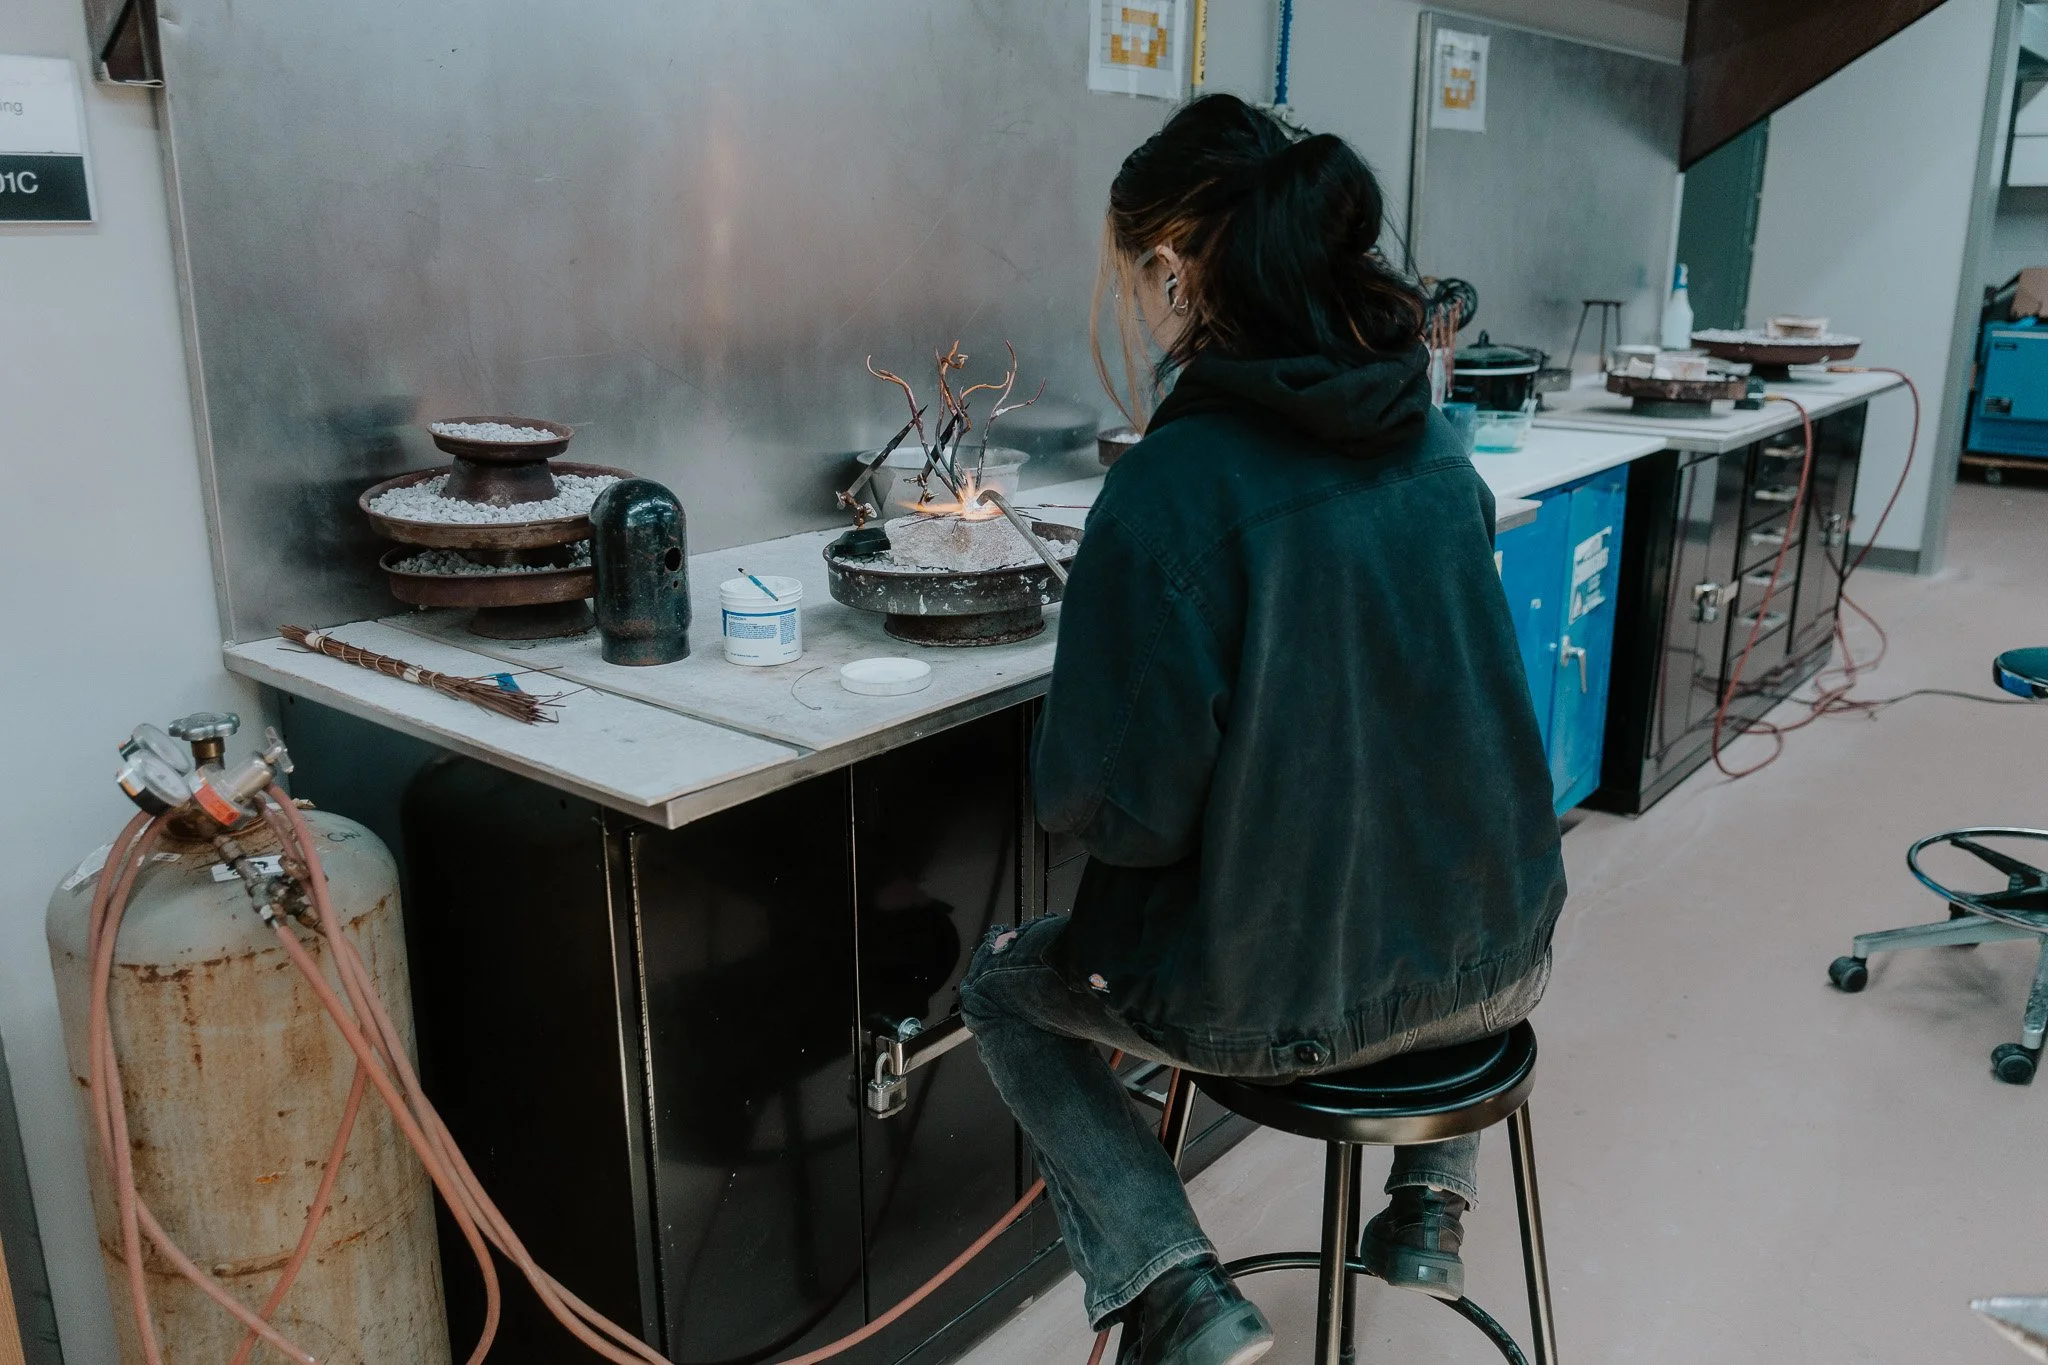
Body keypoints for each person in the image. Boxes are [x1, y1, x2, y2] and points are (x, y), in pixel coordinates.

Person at [957, 94, 1567, 1365]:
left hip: (1287, 1009)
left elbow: (1116, 817)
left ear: (1173, 268)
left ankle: (1171, 1290)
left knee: (1003, 989)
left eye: (1131, 275)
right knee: (1437, 872)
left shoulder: (1170, 489)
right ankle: (1430, 1203)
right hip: (1509, 956)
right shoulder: (1431, 443)